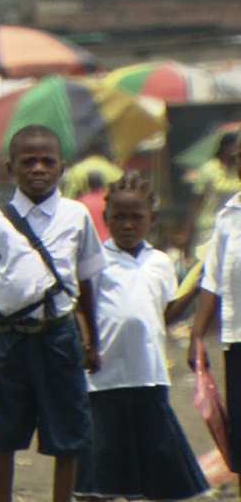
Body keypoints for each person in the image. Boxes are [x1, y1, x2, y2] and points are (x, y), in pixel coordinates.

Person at [0, 124, 106, 502]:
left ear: (62, 168)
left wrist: (93, 340)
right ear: (11, 168)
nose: (38, 169)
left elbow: (86, 282)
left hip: (60, 336)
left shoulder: (76, 217)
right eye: (28, 162)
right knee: (4, 434)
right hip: (11, 340)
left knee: (68, 435)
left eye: (47, 161)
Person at [75, 171, 207, 501]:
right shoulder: (97, 261)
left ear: (152, 219)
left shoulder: (159, 262)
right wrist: (87, 342)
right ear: (106, 219)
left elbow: (163, 315)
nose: (127, 225)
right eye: (119, 218)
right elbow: (81, 305)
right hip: (105, 376)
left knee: (153, 452)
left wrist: (193, 291)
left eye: (136, 217)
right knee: (105, 452)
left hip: (148, 373)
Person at [189, 140, 241, 498]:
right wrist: (196, 336)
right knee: (238, 434)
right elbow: (212, 278)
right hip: (236, 339)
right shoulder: (228, 217)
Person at [180, 131, 241, 259]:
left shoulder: (237, 171)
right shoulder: (209, 168)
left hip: (234, 226)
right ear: (225, 147)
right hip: (208, 227)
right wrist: (186, 232)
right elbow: (197, 201)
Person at [76, 171, 109, 242]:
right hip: (110, 242)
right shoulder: (109, 199)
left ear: (88, 184)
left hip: (90, 243)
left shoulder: (81, 202)